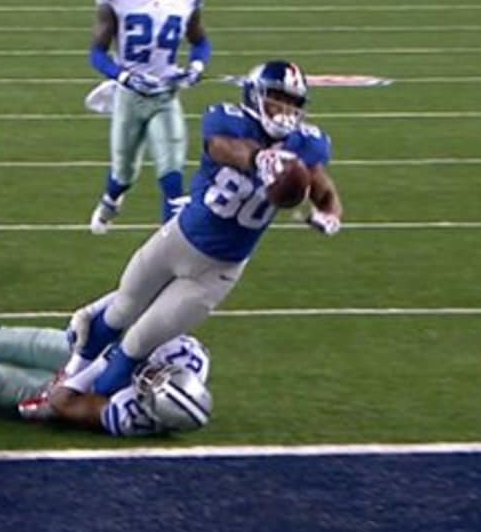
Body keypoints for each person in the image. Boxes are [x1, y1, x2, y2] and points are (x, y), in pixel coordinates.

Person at [31, 60, 344, 404]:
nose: (284, 110)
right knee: (122, 309)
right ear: (254, 96)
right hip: (177, 240)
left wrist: (329, 216)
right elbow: (221, 147)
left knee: (139, 342)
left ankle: (88, 404)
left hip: (218, 271)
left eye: (292, 102)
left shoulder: (306, 146)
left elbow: (325, 193)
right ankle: (72, 372)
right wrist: (260, 160)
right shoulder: (229, 120)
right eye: (276, 98)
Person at [0, 296, 212, 437]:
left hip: (86, 391)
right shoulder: (184, 352)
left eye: (149, 388)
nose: (148, 376)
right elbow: (139, 296)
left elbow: (65, 402)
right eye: (159, 374)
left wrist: (93, 370)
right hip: (101, 352)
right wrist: (94, 318)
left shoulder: (130, 416)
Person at [86, 0, 211, 234]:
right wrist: (124, 76)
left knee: (172, 169)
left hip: (166, 94)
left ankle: (171, 236)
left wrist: (195, 66)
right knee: (124, 171)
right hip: (130, 96)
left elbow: (201, 42)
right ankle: (109, 203)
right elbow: (97, 54)